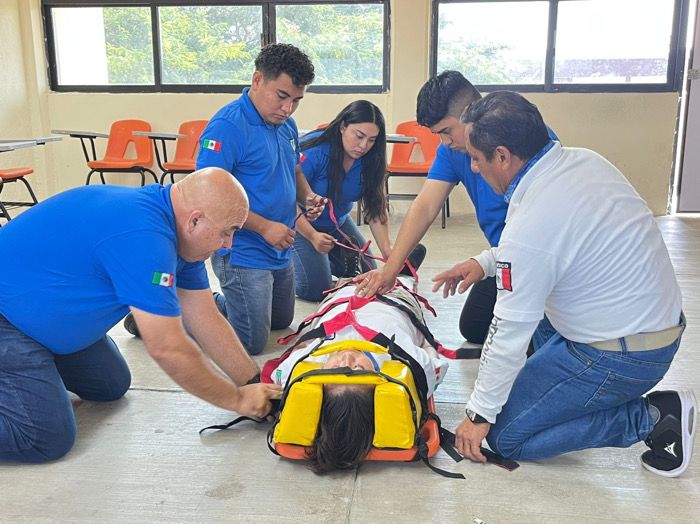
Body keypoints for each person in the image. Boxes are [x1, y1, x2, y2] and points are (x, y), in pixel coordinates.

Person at [431, 91, 694, 477]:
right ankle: (561, 392)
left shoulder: (533, 222)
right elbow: (558, 241)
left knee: (507, 435)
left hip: (623, 356)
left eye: (475, 157)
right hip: (648, 326)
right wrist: (485, 262)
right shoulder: (583, 161)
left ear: (502, 156)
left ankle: (653, 418)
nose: (471, 168)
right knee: (517, 356)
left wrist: (478, 414)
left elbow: (508, 330)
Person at [0, 168, 282, 463]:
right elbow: (167, 347)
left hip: (39, 315)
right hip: (8, 320)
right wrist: (236, 400)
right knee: (44, 437)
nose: (229, 245)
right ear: (195, 219)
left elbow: (206, 317)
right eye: (228, 232)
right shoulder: (143, 236)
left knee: (110, 385)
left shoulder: (181, 239)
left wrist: (253, 385)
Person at [354, 71, 555, 355]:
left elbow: (548, 234)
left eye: (446, 131)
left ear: (468, 114)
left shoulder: (525, 138)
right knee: (474, 327)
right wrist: (390, 269)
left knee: (534, 336)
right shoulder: (451, 150)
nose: (445, 142)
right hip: (501, 253)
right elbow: (425, 205)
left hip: (541, 256)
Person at [194, 43, 325, 355]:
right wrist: (264, 227)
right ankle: (187, 308)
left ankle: (227, 305)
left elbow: (294, 172)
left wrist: (308, 196)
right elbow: (206, 193)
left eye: (296, 101)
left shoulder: (287, 125)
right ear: (257, 80)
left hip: (279, 246)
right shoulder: (227, 126)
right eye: (281, 96)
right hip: (242, 249)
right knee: (251, 342)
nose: (288, 108)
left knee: (281, 322)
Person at [265, 276, 448, 473]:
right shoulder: (404, 360)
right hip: (394, 295)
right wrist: (424, 339)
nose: (347, 360)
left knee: (350, 275)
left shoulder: (305, 365)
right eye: (359, 369)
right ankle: (405, 268)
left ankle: (354, 271)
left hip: (340, 296)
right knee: (403, 278)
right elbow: (432, 356)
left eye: (335, 371)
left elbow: (298, 349)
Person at [292, 100, 426, 301]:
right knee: (315, 289)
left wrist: (388, 251)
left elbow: (376, 208)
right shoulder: (314, 152)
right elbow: (286, 201)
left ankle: (333, 269)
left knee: (368, 273)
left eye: (372, 140)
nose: (364, 146)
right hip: (299, 225)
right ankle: (288, 270)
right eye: (359, 136)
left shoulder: (371, 159)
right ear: (343, 126)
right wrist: (312, 235)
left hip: (338, 223)